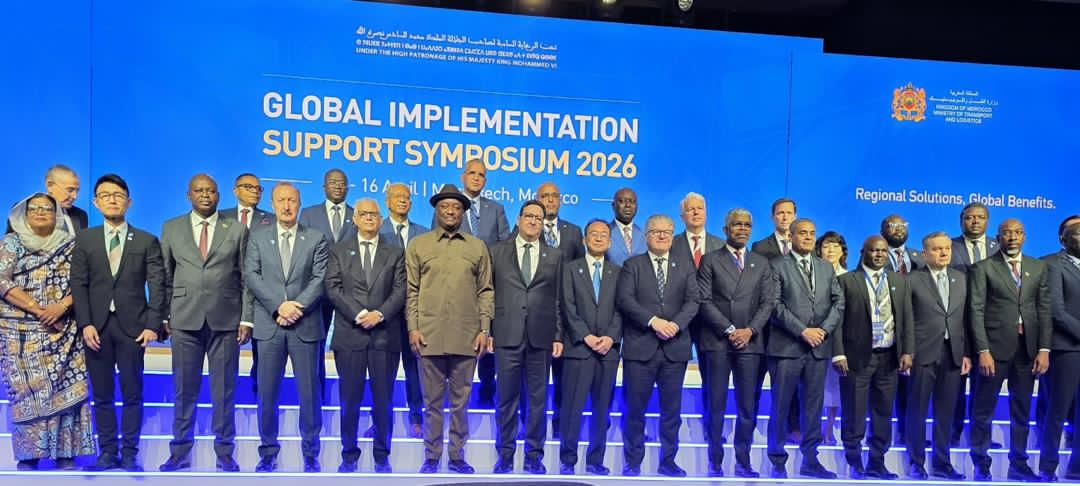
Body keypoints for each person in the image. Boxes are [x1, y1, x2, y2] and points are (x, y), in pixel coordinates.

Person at [71, 174, 166, 472]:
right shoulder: (85, 239)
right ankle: (107, 452)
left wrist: (152, 324)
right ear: (96, 202)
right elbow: (78, 284)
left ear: (129, 202)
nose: (112, 199)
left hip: (133, 328)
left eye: (118, 195)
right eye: (105, 195)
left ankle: (129, 454)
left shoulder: (146, 240)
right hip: (96, 328)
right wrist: (85, 323)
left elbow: (158, 285)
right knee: (101, 394)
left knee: (132, 392)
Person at [158, 174, 252, 473]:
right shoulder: (171, 228)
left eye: (211, 190)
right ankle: (179, 452)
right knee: (184, 389)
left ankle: (225, 452)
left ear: (219, 195)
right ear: (189, 195)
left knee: (224, 390)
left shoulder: (236, 229)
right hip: (184, 319)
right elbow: (164, 276)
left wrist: (246, 317)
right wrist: (164, 315)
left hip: (226, 320)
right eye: (199, 190)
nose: (205, 195)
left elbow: (246, 277)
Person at [0, 194, 94, 470]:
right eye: (34, 209)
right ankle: (29, 455)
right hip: (19, 331)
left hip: (64, 329)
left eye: (47, 209)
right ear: (24, 214)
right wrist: (39, 309)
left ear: (57, 215)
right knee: (26, 393)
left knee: (67, 389)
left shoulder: (71, 244)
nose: (40, 212)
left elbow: (86, 281)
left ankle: (65, 453)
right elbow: (1, 280)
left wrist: (61, 306)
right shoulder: (11, 243)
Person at [407, 184, 493, 475]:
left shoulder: (477, 247)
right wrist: (413, 327)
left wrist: (484, 329)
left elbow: (486, 291)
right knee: (431, 402)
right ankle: (432, 456)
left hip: (466, 337)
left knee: (460, 403)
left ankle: (457, 456)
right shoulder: (418, 245)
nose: (451, 211)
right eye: (445, 206)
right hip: (428, 335)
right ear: (436, 210)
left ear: (463, 212)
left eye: (456, 207)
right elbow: (411, 290)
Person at [244, 182, 329, 473]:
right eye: (281, 200)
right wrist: (278, 306)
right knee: (267, 393)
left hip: (305, 325)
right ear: (273, 203)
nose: (287, 205)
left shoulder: (315, 238)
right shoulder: (258, 237)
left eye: (292, 200)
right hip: (269, 325)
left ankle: (311, 453)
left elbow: (319, 278)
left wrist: (296, 307)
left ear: (299, 203)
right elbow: (252, 276)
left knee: (310, 394)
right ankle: (268, 453)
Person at [324, 198, 405, 474]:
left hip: (385, 336)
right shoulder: (338, 251)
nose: (369, 218)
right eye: (364, 214)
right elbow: (333, 288)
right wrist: (359, 314)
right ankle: (349, 454)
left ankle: (382, 454)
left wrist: (379, 314)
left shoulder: (395, 253)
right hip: (350, 335)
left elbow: (401, 290)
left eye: (374, 214)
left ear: (381, 220)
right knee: (349, 400)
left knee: (384, 400)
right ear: (355, 219)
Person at [967, 218, 1051, 482]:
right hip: (993, 350)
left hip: (1027, 351)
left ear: (1024, 236)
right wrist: (982, 350)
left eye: (1017, 233)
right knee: (983, 410)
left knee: (1022, 410)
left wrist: (1044, 349)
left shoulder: (1038, 267)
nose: (1012, 237)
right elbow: (975, 311)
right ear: (998, 237)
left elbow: (1044, 310)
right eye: (1006, 233)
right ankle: (981, 463)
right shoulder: (983, 267)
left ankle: (1019, 464)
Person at [617, 214, 700, 478]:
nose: (662, 236)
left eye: (667, 232)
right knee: (635, 409)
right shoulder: (632, 265)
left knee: (672, 411)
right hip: (640, 348)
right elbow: (625, 300)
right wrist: (654, 322)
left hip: (674, 348)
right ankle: (633, 461)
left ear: (672, 235)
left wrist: (675, 325)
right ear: (646, 235)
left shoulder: (685, 265)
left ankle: (668, 461)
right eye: (656, 231)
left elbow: (693, 301)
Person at [696, 208, 775, 478]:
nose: (742, 229)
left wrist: (749, 330)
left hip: (750, 343)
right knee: (716, 404)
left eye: (747, 225)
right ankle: (715, 460)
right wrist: (730, 330)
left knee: (747, 407)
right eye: (737, 224)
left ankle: (743, 461)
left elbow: (768, 302)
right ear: (726, 229)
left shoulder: (760, 263)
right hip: (718, 341)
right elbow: (704, 300)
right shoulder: (710, 260)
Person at [766, 218, 843, 479]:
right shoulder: (776, 265)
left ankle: (811, 461)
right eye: (803, 233)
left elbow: (838, 303)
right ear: (791, 236)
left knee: (813, 408)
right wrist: (803, 331)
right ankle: (777, 461)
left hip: (818, 349)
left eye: (812, 233)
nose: (809, 237)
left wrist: (823, 331)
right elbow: (774, 305)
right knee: (781, 406)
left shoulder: (826, 267)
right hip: (786, 348)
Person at [489, 200, 563, 474]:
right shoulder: (497, 251)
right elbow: (488, 293)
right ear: (519, 220)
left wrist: (558, 335)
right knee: (506, 399)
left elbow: (558, 299)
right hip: (506, 334)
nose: (533, 221)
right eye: (529, 216)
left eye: (538, 218)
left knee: (537, 400)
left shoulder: (555, 256)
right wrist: (488, 331)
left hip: (541, 337)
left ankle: (534, 456)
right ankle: (505, 455)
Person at [832, 236, 913, 480]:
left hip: (889, 357)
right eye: (874, 250)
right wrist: (838, 352)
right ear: (863, 252)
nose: (879, 254)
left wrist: (907, 351)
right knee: (854, 411)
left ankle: (877, 462)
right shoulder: (847, 281)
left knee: (883, 412)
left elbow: (907, 318)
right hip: (856, 357)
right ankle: (854, 460)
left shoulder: (899, 281)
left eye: (883, 251)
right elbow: (836, 322)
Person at [431, 160, 508, 408]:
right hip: (454, 283)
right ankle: (448, 391)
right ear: (463, 177)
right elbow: (436, 242)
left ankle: (486, 390)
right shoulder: (448, 207)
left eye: (481, 175)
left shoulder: (496, 209)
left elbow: (504, 245)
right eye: (472, 173)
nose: (476, 178)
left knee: (486, 335)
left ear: (485, 180)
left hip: (487, 282)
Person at [558, 219, 622, 476]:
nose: (598, 238)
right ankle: (568, 459)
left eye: (603, 234)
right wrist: (585, 336)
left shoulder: (618, 272)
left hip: (608, 351)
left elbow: (621, 310)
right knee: (572, 407)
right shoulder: (570, 269)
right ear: (584, 240)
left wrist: (610, 337)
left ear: (610, 241)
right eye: (593, 234)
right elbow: (567, 307)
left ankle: (596, 460)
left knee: (602, 408)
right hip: (579, 349)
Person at [905, 231, 969, 480]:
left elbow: (966, 319)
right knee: (918, 410)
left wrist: (966, 353)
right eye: (937, 249)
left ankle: (942, 463)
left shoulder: (960, 278)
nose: (943, 253)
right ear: (924, 253)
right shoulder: (912, 279)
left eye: (947, 248)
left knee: (946, 412)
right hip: (922, 353)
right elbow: (906, 320)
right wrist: (907, 352)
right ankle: (916, 462)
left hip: (953, 354)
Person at [378, 182, 428, 439]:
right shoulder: (378, 231)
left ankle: (417, 416)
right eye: (397, 196)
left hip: (415, 311)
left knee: (414, 368)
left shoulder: (423, 233)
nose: (403, 200)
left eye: (407, 197)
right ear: (387, 202)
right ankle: (380, 420)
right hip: (385, 311)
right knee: (383, 370)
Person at [298, 168, 354, 398]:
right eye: (333, 182)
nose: (338, 186)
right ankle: (317, 393)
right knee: (316, 343)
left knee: (347, 345)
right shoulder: (309, 214)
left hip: (348, 292)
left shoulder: (357, 215)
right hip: (318, 290)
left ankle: (347, 394)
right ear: (324, 187)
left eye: (342, 183)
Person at [751, 197, 801, 442]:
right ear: (773, 217)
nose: (784, 217)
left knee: (793, 386)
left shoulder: (805, 245)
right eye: (780, 213)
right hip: (766, 327)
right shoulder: (760, 247)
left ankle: (793, 427)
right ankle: (751, 428)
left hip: (796, 329)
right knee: (756, 382)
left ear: (795, 216)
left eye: (789, 213)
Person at [948, 202, 999, 446]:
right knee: (954, 386)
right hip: (956, 324)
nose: (975, 221)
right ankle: (952, 435)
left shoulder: (999, 248)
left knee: (985, 388)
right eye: (970, 217)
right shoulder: (949, 246)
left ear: (987, 221)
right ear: (961, 221)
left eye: (980, 217)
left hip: (989, 327)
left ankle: (980, 439)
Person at [535, 181, 583, 437]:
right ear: (537, 200)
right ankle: (534, 426)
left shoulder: (573, 232)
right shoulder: (527, 228)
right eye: (545, 196)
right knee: (536, 379)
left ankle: (560, 425)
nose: (550, 200)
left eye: (554, 196)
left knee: (565, 378)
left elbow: (581, 273)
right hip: (536, 313)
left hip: (567, 315)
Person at [220, 172, 274, 393]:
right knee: (225, 351)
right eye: (249, 187)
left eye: (258, 188)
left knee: (262, 352)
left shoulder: (271, 220)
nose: (255, 192)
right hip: (227, 292)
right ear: (236, 191)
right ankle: (226, 395)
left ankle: (259, 392)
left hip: (261, 291)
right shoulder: (220, 218)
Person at [1039, 222, 1080, 482]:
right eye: (1078, 234)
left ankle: (1076, 467)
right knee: (1057, 410)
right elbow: (1056, 310)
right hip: (1066, 348)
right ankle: (1047, 467)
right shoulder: (1054, 264)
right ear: (1064, 240)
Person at [815, 231, 848, 446]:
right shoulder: (813, 274)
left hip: (841, 338)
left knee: (835, 385)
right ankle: (812, 427)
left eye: (836, 246)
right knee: (816, 385)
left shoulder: (850, 277)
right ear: (819, 250)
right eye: (827, 246)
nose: (831, 250)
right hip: (815, 336)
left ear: (843, 251)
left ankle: (829, 426)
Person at [6, 165, 87, 234]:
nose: (75, 196)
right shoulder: (22, 210)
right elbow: (9, 245)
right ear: (50, 186)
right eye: (70, 190)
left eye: (77, 191)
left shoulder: (80, 215)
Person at [605, 187, 646, 266]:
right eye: (622, 201)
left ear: (636, 206)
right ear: (613, 205)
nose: (628, 205)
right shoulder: (604, 233)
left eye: (632, 201)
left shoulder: (645, 235)